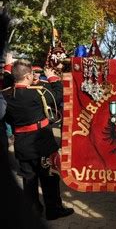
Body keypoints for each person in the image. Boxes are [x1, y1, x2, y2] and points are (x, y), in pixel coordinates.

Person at [3, 59, 74, 220]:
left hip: (21, 142)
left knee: (29, 180)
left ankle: (33, 210)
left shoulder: (6, 95)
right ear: (28, 76)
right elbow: (59, 94)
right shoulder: (38, 93)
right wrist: (52, 77)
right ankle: (54, 209)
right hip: (41, 142)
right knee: (49, 178)